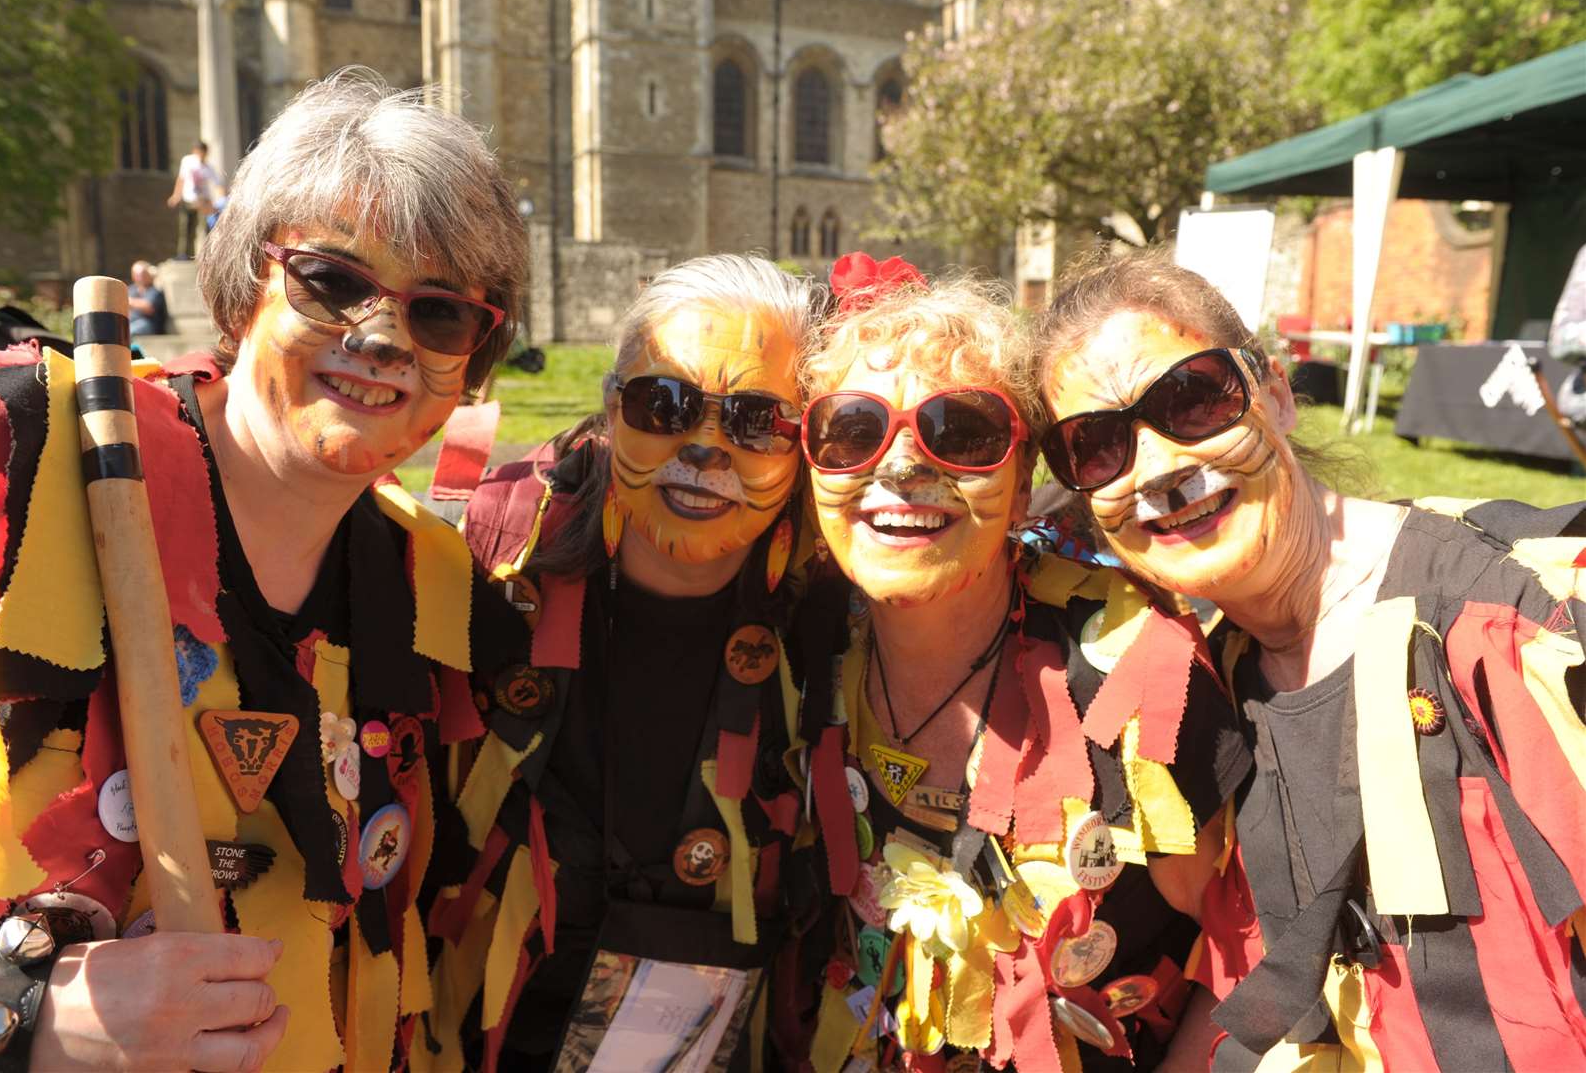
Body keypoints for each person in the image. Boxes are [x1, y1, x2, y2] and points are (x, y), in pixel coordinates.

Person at [0, 70, 528, 1071]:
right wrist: (18, 1015)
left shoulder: (432, 597)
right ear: (241, 285)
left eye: (439, 315)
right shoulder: (4, 474)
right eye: (333, 281)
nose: (383, 338)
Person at [1035, 250, 1586, 1070]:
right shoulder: (1211, 691)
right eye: (1096, 446)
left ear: (1277, 394)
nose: (1155, 468)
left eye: (1192, 399)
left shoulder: (1513, 618)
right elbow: (1249, 987)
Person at [794, 254, 1249, 1072]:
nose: (898, 470)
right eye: (852, 430)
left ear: (1022, 476)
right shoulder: (809, 650)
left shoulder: (1134, 672)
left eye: (962, 432)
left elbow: (1246, 952)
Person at [436, 254, 824, 1070]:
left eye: (755, 420)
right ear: (612, 414)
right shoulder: (497, 573)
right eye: (664, 405)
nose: (705, 449)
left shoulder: (830, 622)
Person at [166, 141, 220, 260]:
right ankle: (184, 254)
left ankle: (207, 254)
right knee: (186, 227)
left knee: (205, 227)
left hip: (203, 201)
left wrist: (220, 200)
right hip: (190, 200)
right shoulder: (188, 161)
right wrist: (176, 195)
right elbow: (181, 179)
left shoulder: (208, 167)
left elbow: (217, 184)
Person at [127, 260, 168, 337]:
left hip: (149, 324)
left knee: (127, 332)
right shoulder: (131, 290)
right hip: (131, 322)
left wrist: (128, 301)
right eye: (137, 274)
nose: (140, 277)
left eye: (142, 274)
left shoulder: (155, 291)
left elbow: (149, 308)